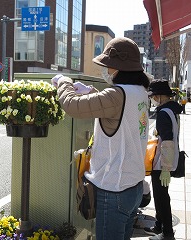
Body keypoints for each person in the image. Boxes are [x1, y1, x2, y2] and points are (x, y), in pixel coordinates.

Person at [52, 37, 150, 240]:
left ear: (118, 68)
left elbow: (71, 105)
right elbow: (118, 113)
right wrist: (92, 93)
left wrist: (64, 82)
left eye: (108, 66)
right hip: (134, 187)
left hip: (114, 190)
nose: (105, 70)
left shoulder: (116, 95)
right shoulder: (140, 92)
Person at [144, 79, 182, 240]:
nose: (152, 99)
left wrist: (165, 168)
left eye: (153, 96)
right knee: (162, 195)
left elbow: (167, 141)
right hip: (168, 158)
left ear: (159, 96)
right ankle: (159, 226)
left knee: (161, 197)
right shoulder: (171, 110)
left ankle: (167, 234)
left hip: (162, 162)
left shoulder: (163, 113)